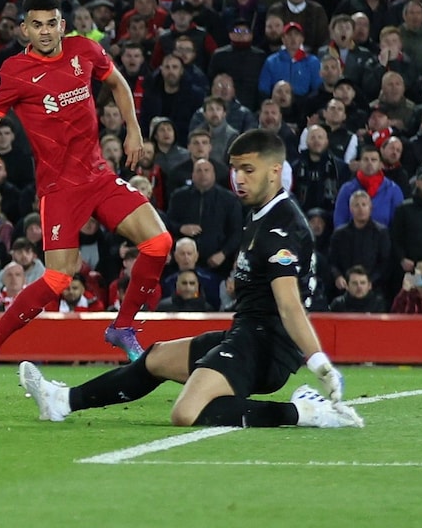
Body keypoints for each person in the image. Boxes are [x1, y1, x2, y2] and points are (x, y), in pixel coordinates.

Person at [18, 130, 363, 429]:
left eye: (248, 170)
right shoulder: (261, 213)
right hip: (246, 334)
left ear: (275, 171)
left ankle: (303, 411)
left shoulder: (279, 230)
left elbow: (289, 306)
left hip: (264, 349)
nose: (239, 179)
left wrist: (319, 363)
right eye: (235, 169)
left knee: (186, 412)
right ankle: (61, 401)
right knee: (155, 358)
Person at [0, 0, 173, 396]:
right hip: (59, 189)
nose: (45, 32)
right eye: (37, 25)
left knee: (159, 242)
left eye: (52, 23)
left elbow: (118, 83)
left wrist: (133, 130)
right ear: (25, 30)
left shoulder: (85, 51)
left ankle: (123, 326)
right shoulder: (14, 71)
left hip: (97, 176)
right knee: (58, 278)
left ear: (63, 25)